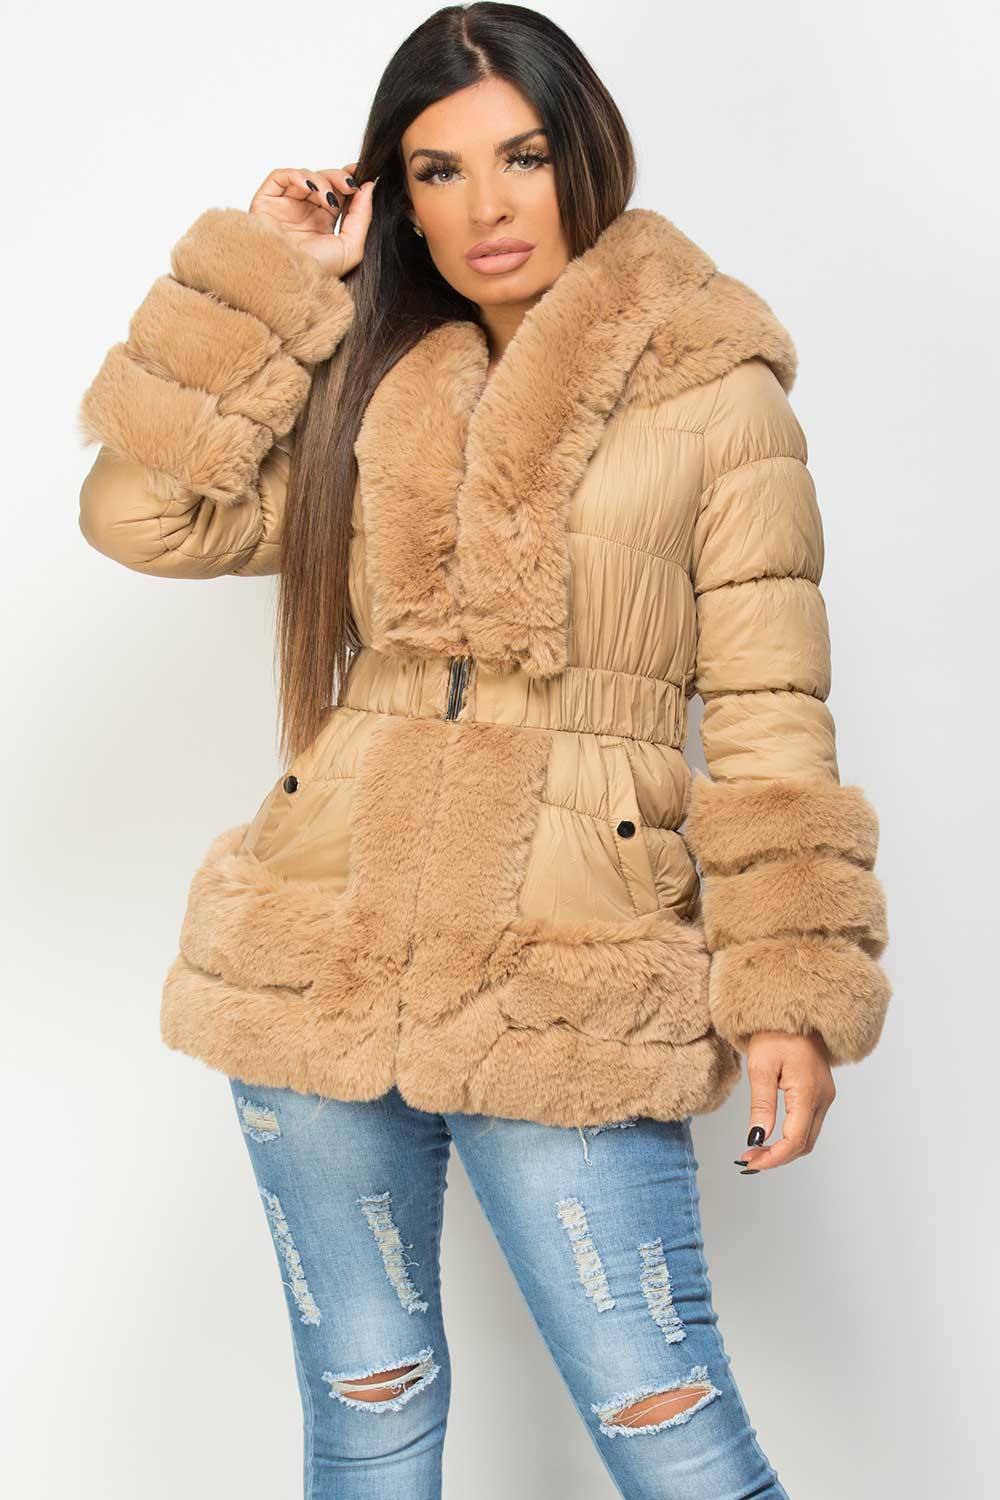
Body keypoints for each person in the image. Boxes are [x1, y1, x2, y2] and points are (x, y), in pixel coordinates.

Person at [75, 5, 891, 1496]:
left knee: (665, 1423)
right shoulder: (374, 377)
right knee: (366, 1408)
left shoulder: (714, 392)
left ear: (586, 153)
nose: (487, 207)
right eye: (437, 171)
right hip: (318, 949)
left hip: (567, 964)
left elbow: (771, 708)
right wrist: (270, 281)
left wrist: (792, 992)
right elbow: (139, 513)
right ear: (397, 196)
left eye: (522, 156)